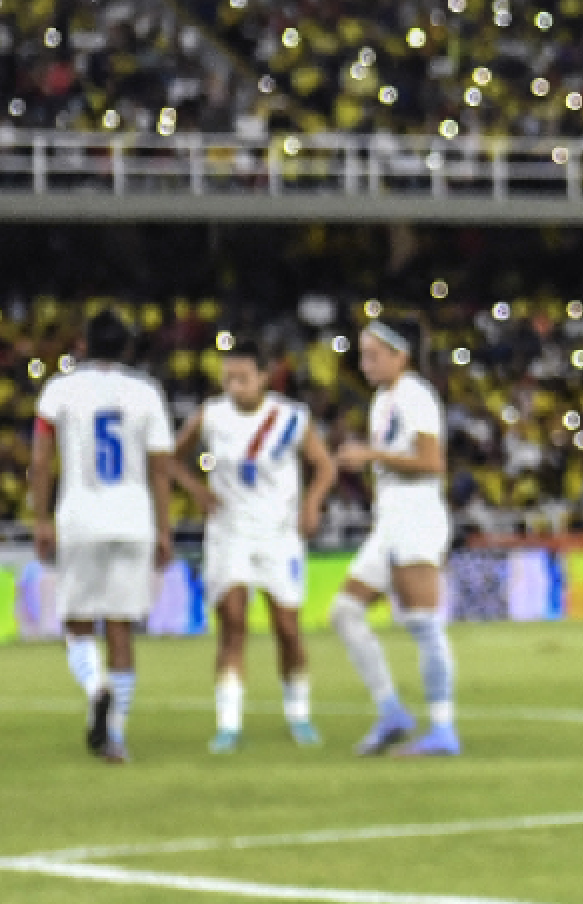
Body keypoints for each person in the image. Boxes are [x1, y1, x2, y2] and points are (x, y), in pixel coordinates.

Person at [174, 337, 337, 751]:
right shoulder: (210, 416)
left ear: (264, 376)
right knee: (233, 622)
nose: (234, 386)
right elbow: (171, 458)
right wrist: (195, 489)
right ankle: (228, 723)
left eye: (242, 378)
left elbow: (324, 467)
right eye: (228, 378)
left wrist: (312, 505)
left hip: (278, 535)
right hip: (229, 532)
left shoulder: (291, 419)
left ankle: (299, 714)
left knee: (286, 626)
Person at [28, 311, 176, 764]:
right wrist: (165, 529)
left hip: (80, 520)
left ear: (85, 345)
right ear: (129, 348)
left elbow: (40, 459)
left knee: (77, 625)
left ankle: (96, 688)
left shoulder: (60, 389)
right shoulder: (146, 391)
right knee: (121, 629)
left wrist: (41, 519)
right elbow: (160, 467)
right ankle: (115, 738)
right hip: (133, 520)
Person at [328, 319, 461, 756]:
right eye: (363, 355)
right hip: (390, 518)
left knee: (423, 624)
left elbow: (432, 462)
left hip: (417, 513)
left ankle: (443, 728)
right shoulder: (383, 400)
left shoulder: (415, 396)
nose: (365, 364)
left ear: (400, 356)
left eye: (374, 355)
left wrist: (370, 454)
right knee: (345, 612)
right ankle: (392, 710)